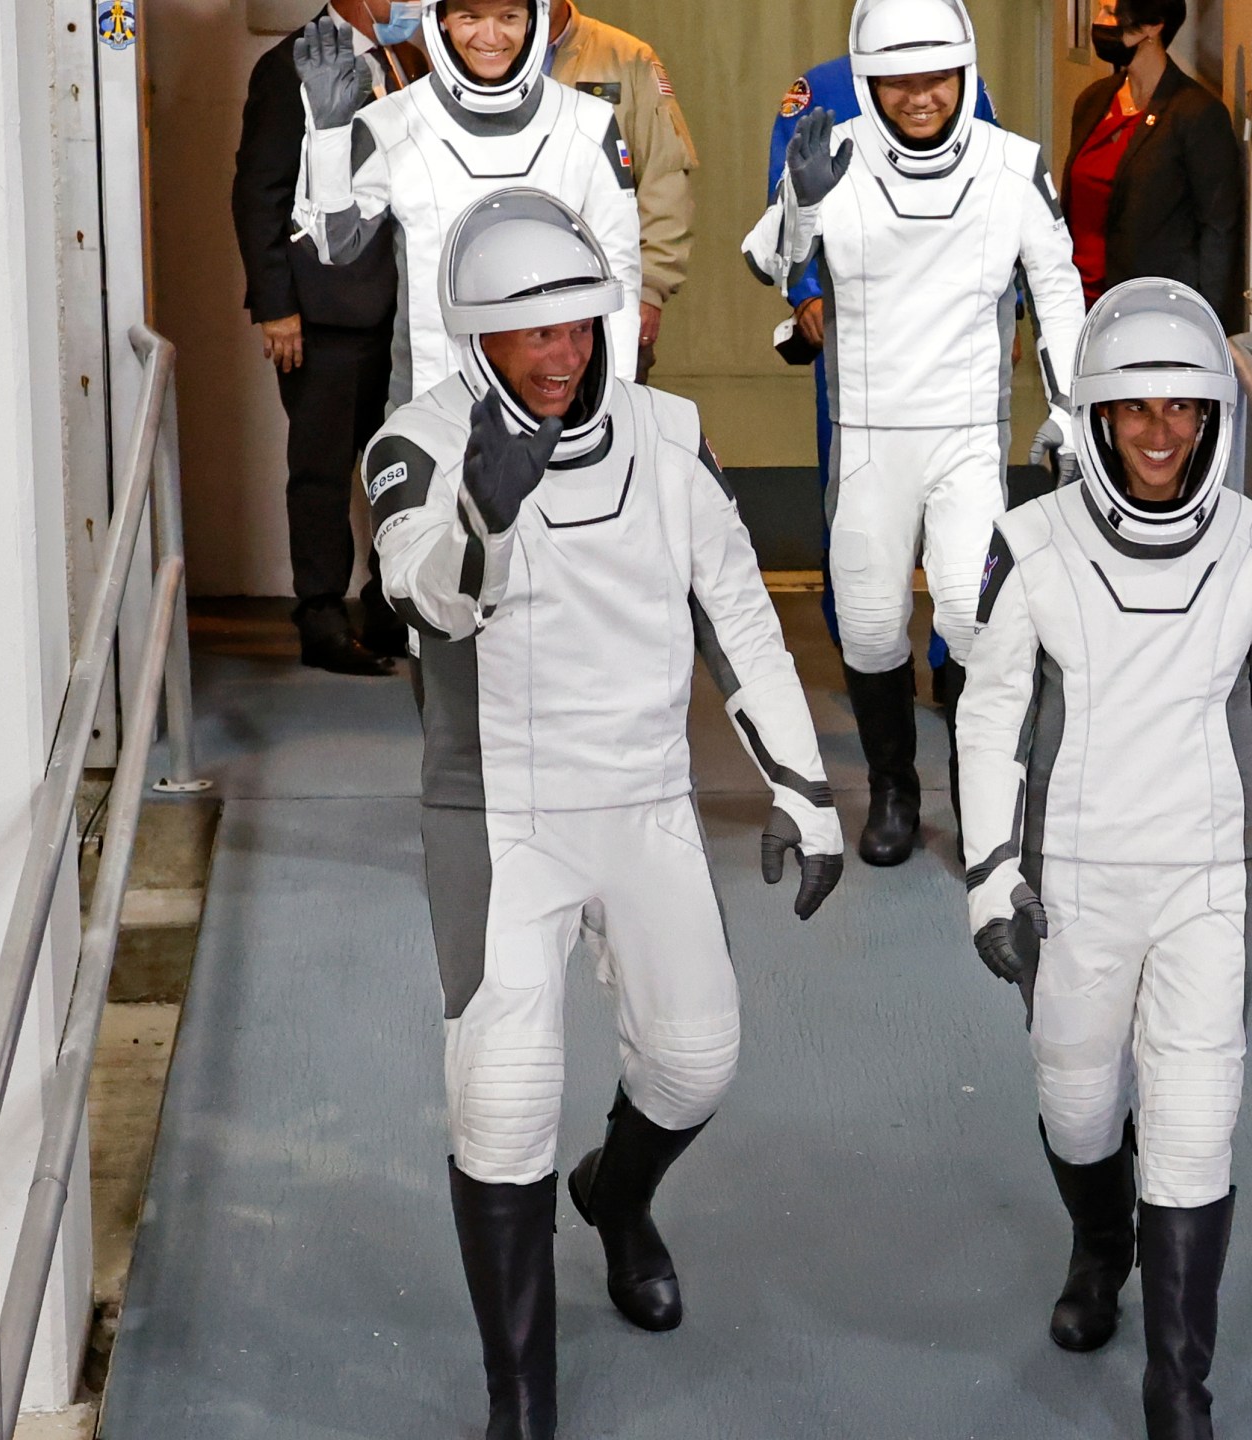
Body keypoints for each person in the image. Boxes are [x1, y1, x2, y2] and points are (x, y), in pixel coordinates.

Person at [362, 190, 844, 1440]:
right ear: (477, 338)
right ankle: (520, 1398)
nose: (565, 354)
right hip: (498, 814)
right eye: (535, 336)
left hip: (643, 795)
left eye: (579, 325)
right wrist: (486, 511)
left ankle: (616, 1199)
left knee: (695, 1062)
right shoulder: (413, 443)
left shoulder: (670, 433)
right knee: (502, 1099)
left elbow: (735, 611)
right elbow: (427, 600)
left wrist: (801, 784)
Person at [955, 278, 1252, 1440]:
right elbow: (988, 726)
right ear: (1093, 417)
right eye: (1136, 411)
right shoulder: (1029, 544)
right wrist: (993, 876)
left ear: (1212, 421)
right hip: (1073, 880)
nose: (1160, 435)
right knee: (1079, 1107)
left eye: (1183, 411)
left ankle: (1178, 1390)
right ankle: (1097, 1244)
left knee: (1193, 1127)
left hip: (1196, 880)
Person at [742, 0, 1086, 868]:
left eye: (936, 76)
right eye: (900, 79)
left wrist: (1072, 406)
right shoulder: (837, 160)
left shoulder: (1012, 167)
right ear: (869, 79)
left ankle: (981, 794)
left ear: (965, 71)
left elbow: (1057, 285)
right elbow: (771, 262)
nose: (921, 96)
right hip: (868, 437)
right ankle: (895, 787)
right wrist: (803, 205)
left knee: (975, 622)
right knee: (865, 624)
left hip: (967, 436)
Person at [289, 0, 640, 414]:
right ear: (441, 20)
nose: (491, 37)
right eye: (470, 17)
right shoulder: (392, 123)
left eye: (508, 17)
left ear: (534, 19)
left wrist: (616, 408)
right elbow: (333, 246)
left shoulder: (587, 124)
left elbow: (619, 280)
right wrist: (327, 134)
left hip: (560, 407)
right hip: (428, 403)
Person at [764, 50, 994, 663]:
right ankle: (859, 648)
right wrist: (807, 293)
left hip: (951, 343)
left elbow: (997, 199)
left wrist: (1010, 305)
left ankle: (956, 661)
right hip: (860, 341)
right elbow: (788, 203)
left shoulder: (962, 80)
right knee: (856, 510)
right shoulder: (818, 89)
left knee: (964, 521)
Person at [232, 1, 430, 674]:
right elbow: (260, 192)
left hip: (403, 312)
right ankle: (320, 618)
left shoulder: (407, 60)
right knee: (322, 472)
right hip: (322, 314)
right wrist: (275, 306)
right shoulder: (290, 66)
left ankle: (386, 608)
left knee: (399, 465)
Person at [1065, 0, 1246, 328]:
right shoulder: (1092, 101)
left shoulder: (1196, 114)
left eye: (1109, 11)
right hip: (1080, 307)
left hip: (1155, 316)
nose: (1099, 22)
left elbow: (1219, 229)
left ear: (1151, 26)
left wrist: (1208, 325)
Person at [545, 0, 697, 381]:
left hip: (605, 302)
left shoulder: (627, 57)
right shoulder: (481, 56)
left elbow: (665, 176)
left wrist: (651, 288)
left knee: (612, 429)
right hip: (508, 300)